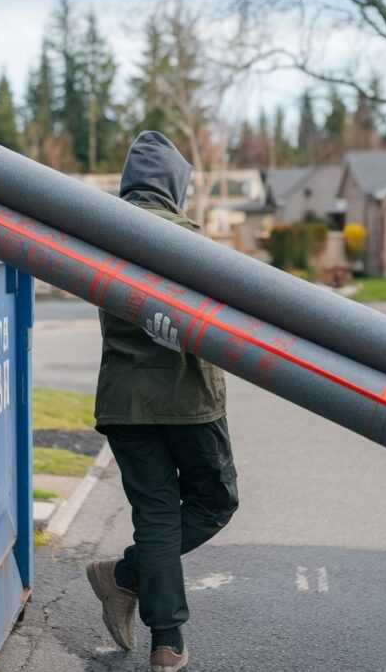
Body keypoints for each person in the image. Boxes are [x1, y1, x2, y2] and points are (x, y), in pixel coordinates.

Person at [86, 131, 239, 672]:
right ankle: (127, 582)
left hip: (125, 404)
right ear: (177, 186)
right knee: (214, 502)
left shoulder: (101, 236)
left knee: (156, 515)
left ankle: (163, 637)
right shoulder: (189, 239)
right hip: (190, 400)